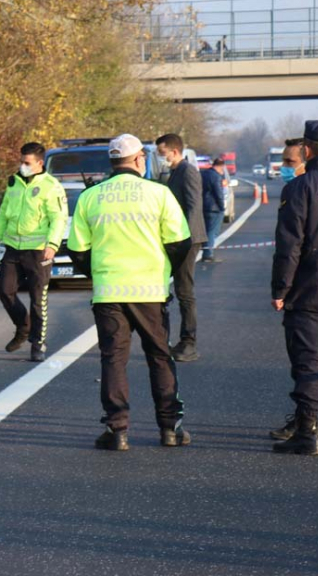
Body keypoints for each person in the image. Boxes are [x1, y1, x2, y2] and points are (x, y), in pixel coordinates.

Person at [67, 134, 193, 451]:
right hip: (150, 290)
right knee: (160, 358)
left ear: (112, 162)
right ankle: (170, 429)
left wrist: (97, 272)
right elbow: (180, 243)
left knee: (113, 360)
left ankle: (117, 429)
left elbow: (78, 250)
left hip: (109, 291)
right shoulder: (159, 194)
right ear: (139, 160)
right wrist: (164, 270)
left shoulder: (90, 197)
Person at [270, 120, 318, 455]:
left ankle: (308, 432)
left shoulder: (300, 188)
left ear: (307, 150)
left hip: (311, 291)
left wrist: (280, 290)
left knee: (308, 363)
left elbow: (289, 245)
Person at [0, 142, 67, 362]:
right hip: (13, 248)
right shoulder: (14, 183)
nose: (22, 166)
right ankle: (23, 327)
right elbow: (3, 216)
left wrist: (53, 244)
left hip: (38, 251)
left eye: (26, 163)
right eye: (21, 161)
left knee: (38, 299)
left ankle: (37, 343)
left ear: (40, 163)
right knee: (4, 290)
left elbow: (58, 219)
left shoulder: (51, 186)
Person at [156, 133, 207, 363]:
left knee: (185, 292)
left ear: (174, 152)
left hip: (188, 239)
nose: (159, 158)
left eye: (161, 153)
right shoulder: (175, 172)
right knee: (176, 290)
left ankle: (189, 342)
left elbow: (194, 207)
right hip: (177, 239)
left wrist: (184, 239)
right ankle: (177, 340)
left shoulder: (189, 171)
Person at [200, 158, 226, 262]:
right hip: (214, 207)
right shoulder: (216, 176)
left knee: (206, 230)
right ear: (221, 166)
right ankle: (208, 254)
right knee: (212, 231)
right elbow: (218, 193)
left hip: (204, 206)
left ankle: (205, 251)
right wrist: (222, 206)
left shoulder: (204, 174)